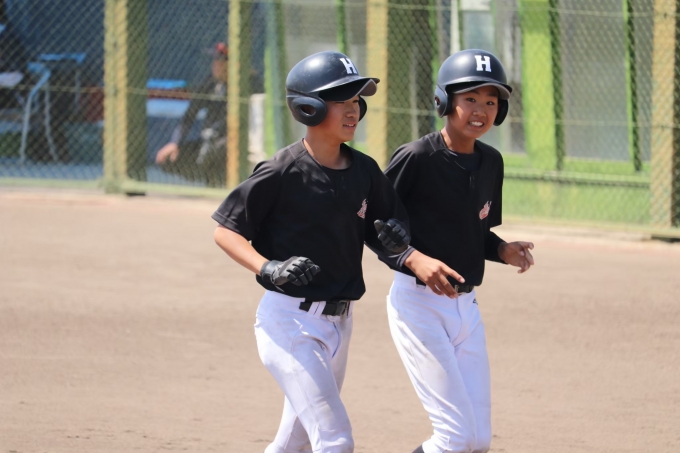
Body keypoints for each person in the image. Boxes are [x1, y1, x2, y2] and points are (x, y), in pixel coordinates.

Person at [211, 51, 412, 453]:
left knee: (293, 443)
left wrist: (396, 237)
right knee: (335, 440)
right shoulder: (282, 170)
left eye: (356, 100)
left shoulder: (365, 170)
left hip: (340, 323)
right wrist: (269, 267)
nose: (353, 110)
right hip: (290, 324)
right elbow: (226, 230)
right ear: (309, 107)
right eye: (341, 101)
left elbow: (385, 229)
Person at [379, 49, 535, 453]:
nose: (481, 110)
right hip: (419, 305)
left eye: (491, 101)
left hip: (466, 308)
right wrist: (413, 258)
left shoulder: (491, 162)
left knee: (478, 441)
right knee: (455, 437)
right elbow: (374, 226)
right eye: (470, 98)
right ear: (444, 101)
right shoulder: (416, 157)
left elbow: (475, 231)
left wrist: (502, 250)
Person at [154, 42, 228, 187]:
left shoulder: (247, 84)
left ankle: (221, 183)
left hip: (230, 143)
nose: (216, 65)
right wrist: (175, 142)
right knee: (168, 160)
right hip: (208, 141)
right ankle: (210, 181)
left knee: (212, 153)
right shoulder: (210, 83)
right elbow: (189, 115)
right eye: (215, 61)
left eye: (221, 61)